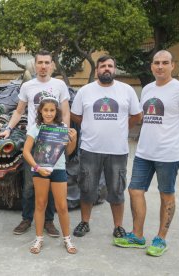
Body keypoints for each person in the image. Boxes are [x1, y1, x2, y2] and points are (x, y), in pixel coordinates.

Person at [114, 50, 179, 256]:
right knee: (135, 190)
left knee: (166, 195)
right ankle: (138, 235)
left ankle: (160, 239)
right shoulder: (148, 89)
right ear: (151, 66)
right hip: (144, 151)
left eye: (165, 63)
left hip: (168, 154)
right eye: (156, 63)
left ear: (172, 66)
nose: (160, 66)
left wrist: (176, 140)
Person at [0, 49, 70, 237]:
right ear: (34, 65)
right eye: (40, 63)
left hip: (54, 140)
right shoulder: (27, 86)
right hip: (34, 141)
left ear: (52, 65)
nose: (43, 66)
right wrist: (8, 129)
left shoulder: (60, 85)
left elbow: (66, 112)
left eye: (47, 63)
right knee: (30, 185)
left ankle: (49, 221)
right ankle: (27, 218)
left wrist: (64, 133)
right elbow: (19, 112)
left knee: (52, 182)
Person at [70, 55, 142, 239]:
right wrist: (89, 124)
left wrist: (123, 127)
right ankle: (85, 222)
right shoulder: (85, 91)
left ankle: (118, 226)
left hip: (117, 151)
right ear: (97, 70)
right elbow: (75, 115)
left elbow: (137, 115)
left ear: (115, 70)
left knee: (116, 189)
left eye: (110, 66)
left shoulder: (126, 90)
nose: (107, 69)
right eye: (103, 66)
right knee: (87, 188)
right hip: (89, 149)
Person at [23, 97, 77, 254]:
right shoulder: (36, 128)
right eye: (45, 110)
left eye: (52, 110)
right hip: (40, 170)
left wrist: (73, 139)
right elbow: (26, 152)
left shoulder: (62, 128)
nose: (48, 113)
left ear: (56, 111)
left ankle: (67, 239)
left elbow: (69, 152)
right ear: (40, 111)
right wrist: (37, 167)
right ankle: (39, 239)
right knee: (40, 204)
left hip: (58, 169)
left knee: (62, 206)